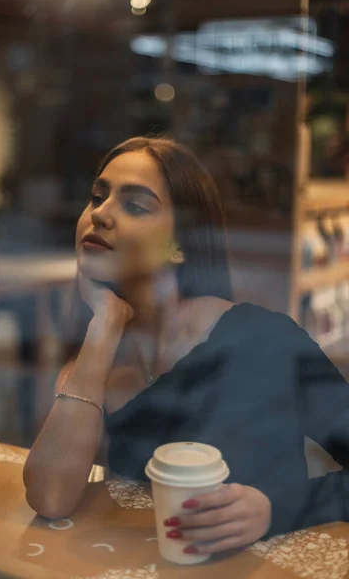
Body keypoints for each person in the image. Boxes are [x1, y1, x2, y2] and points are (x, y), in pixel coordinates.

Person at [24, 136, 349, 556]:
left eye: (135, 205)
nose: (100, 214)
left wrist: (275, 508)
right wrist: (104, 325)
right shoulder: (99, 355)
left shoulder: (265, 339)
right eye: (97, 197)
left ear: (180, 245)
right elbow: (50, 498)